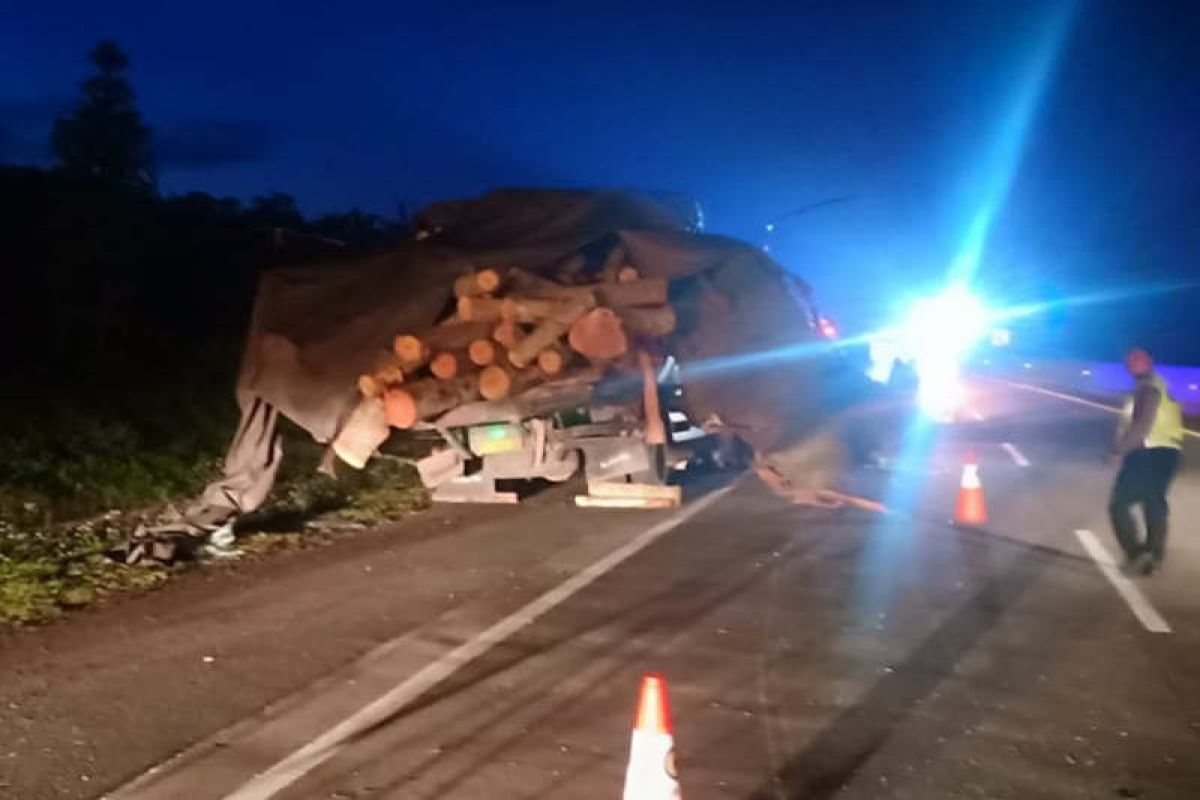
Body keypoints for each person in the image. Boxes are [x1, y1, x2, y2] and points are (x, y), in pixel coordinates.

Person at [1109, 348, 1184, 575]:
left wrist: (1118, 450)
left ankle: (1137, 554)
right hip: (1169, 453)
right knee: (1154, 503)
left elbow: (1143, 424)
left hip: (1148, 453)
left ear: (1148, 362)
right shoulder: (1158, 384)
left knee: (1118, 505)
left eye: (1136, 360)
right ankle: (1154, 557)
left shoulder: (1148, 387)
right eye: (1129, 361)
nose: (1131, 364)